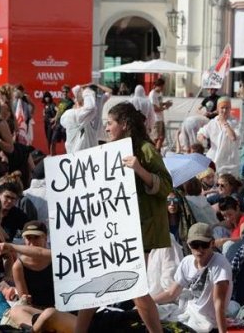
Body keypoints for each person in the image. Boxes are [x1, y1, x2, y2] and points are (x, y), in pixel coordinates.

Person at [74, 101, 173, 333]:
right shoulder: (110, 151)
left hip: (139, 230)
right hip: (113, 230)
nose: (106, 128)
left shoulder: (145, 150)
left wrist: (140, 170)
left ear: (125, 124)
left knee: (135, 288)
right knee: (96, 282)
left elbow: (166, 186)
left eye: (110, 123)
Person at [153, 223, 233, 333]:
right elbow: (172, 293)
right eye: (195, 244)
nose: (200, 249)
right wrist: (148, 302)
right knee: (145, 315)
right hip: (186, 312)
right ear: (189, 245)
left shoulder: (220, 263)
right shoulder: (187, 262)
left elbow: (218, 303)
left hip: (206, 322)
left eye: (204, 244)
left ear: (212, 243)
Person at [197, 97, 240, 176]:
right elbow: (202, 132)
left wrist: (224, 122)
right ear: (217, 109)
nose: (224, 110)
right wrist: (201, 136)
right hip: (213, 160)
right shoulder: (213, 122)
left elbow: (233, 138)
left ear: (230, 108)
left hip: (228, 163)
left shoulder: (234, 122)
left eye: (227, 108)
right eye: (222, 108)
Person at [60, 84, 98, 154]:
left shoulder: (68, 114)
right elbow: (90, 107)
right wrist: (87, 91)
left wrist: (82, 90)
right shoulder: (76, 115)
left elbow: (76, 89)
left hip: (73, 154)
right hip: (81, 156)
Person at [148, 78, 173, 151]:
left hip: (161, 118)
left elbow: (159, 104)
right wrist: (165, 107)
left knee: (161, 137)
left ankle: (157, 151)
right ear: (157, 86)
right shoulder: (152, 94)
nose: (163, 88)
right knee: (156, 138)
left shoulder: (159, 94)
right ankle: (155, 152)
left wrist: (166, 103)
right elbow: (154, 108)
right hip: (156, 119)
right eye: (162, 86)